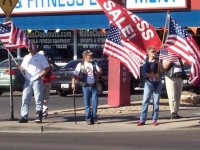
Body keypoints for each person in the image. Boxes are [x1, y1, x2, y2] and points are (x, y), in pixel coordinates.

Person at [17, 45, 50, 123]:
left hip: (37, 79)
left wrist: (40, 76)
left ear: (35, 48)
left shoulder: (40, 57)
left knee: (38, 98)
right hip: (28, 80)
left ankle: (39, 116)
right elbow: (24, 68)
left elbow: (47, 68)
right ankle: (24, 117)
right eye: (28, 47)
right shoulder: (26, 57)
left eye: (31, 47)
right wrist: (19, 67)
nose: (29, 49)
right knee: (25, 98)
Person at [71, 50, 102, 125]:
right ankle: (88, 119)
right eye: (89, 56)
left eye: (91, 55)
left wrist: (100, 71)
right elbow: (74, 75)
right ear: (85, 57)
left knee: (95, 103)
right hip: (85, 86)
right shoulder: (80, 65)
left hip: (94, 86)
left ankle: (94, 118)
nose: (91, 57)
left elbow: (98, 72)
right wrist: (73, 83)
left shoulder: (94, 63)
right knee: (87, 104)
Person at [138, 46, 164, 126]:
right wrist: (153, 76)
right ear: (148, 53)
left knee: (156, 102)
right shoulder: (145, 62)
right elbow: (144, 74)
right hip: (149, 83)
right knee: (145, 102)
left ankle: (154, 119)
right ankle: (142, 120)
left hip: (157, 83)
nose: (154, 53)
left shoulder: (157, 62)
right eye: (152, 51)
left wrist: (160, 67)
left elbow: (162, 71)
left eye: (155, 51)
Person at [38, 50, 52, 118]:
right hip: (49, 82)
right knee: (45, 98)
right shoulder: (48, 61)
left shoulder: (41, 61)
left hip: (42, 81)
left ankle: (42, 109)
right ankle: (45, 112)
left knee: (39, 97)